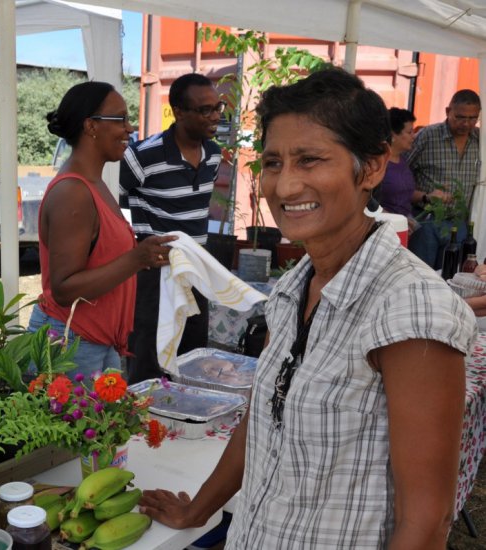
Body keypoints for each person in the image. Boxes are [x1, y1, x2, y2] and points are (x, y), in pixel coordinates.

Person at [139, 68, 476, 548]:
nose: (284, 186)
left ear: (372, 167)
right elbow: (263, 418)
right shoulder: (295, 287)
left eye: (310, 160)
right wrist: (197, 510)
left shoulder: (412, 309)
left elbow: (425, 523)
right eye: (273, 163)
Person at [27, 81, 175, 378]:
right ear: (91, 126)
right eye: (120, 119)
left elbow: (101, 257)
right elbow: (64, 289)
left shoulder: (94, 183)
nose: (129, 128)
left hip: (92, 341)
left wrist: (143, 256)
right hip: (70, 342)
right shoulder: (74, 192)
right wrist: (136, 259)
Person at [119, 73, 223, 384]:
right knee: (148, 356)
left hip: (195, 266)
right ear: (178, 112)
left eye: (218, 107)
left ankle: (186, 410)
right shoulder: (141, 156)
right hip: (154, 273)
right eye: (205, 110)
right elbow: (109, 201)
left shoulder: (213, 154)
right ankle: (143, 412)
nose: (215, 116)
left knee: (193, 355)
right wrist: (134, 247)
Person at [407, 89, 481, 269]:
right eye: (460, 117)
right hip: (426, 221)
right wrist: (424, 196)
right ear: (448, 111)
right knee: (420, 273)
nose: (466, 123)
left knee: (451, 276)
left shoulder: (481, 140)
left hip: (459, 224)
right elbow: (398, 176)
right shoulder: (428, 136)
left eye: (472, 118)